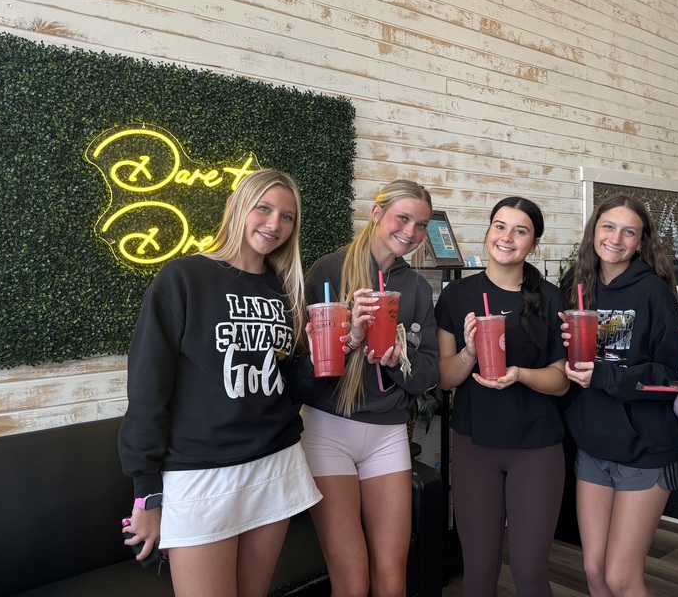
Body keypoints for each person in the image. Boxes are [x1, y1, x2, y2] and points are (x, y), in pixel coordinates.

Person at [118, 169, 322, 597]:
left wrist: (335, 353)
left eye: (287, 217)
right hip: (200, 473)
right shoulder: (183, 277)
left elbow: (291, 386)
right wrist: (146, 493)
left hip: (275, 463)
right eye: (263, 208)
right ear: (236, 207)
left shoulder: (287, 291)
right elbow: (148, 389)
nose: (274, 224)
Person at [300, 179, 440, 597]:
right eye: (403, 218)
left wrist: (399, 362)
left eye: (421, 225)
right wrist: (351, 338)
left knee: (392, 577)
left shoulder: (416, 288)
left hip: (388, 432)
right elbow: (300, 367)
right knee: (351, 580)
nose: (411, 233)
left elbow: (429, 373)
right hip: (328, 431)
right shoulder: (328, 270)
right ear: (377, 213)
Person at [436, 197, 569, 597]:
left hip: (537, 447)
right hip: (475, 444)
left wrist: (519, 374)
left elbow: (561, 382)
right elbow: (444, 378)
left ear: (534, 243)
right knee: (478, 573)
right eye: (499, 226)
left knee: (529, 574)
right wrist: (470, 353)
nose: (506, 237)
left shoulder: (550, 298)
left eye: (520, 230)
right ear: (488, 230)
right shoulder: (456, 296)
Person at [559, 193, 678, 597]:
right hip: (593, 446)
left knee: (621, 577)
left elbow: (671, 377)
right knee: (594, 570)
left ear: (641, 240)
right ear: (594, 230)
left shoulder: (653, 292)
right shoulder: (575, 286)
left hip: (644, 451)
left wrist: (604, 375)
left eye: (629, 231)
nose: (616, 238)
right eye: (608, 226)